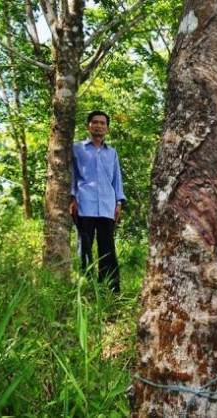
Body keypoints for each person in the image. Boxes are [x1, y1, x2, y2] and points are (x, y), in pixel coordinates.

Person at [70, 110, 125, 293]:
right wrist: (72, 198)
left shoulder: (112, 153)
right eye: (95, 122)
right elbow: (72, 175)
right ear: (89, 126)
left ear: (107, 128)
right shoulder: (77, 148)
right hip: (85, 204)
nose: (99, 125)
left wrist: (119, 203)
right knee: (84, 247)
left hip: (108, 207)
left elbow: (117, 179)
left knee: (107, 248)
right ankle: (85, 287)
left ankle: (110, 288)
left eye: (103, 123)